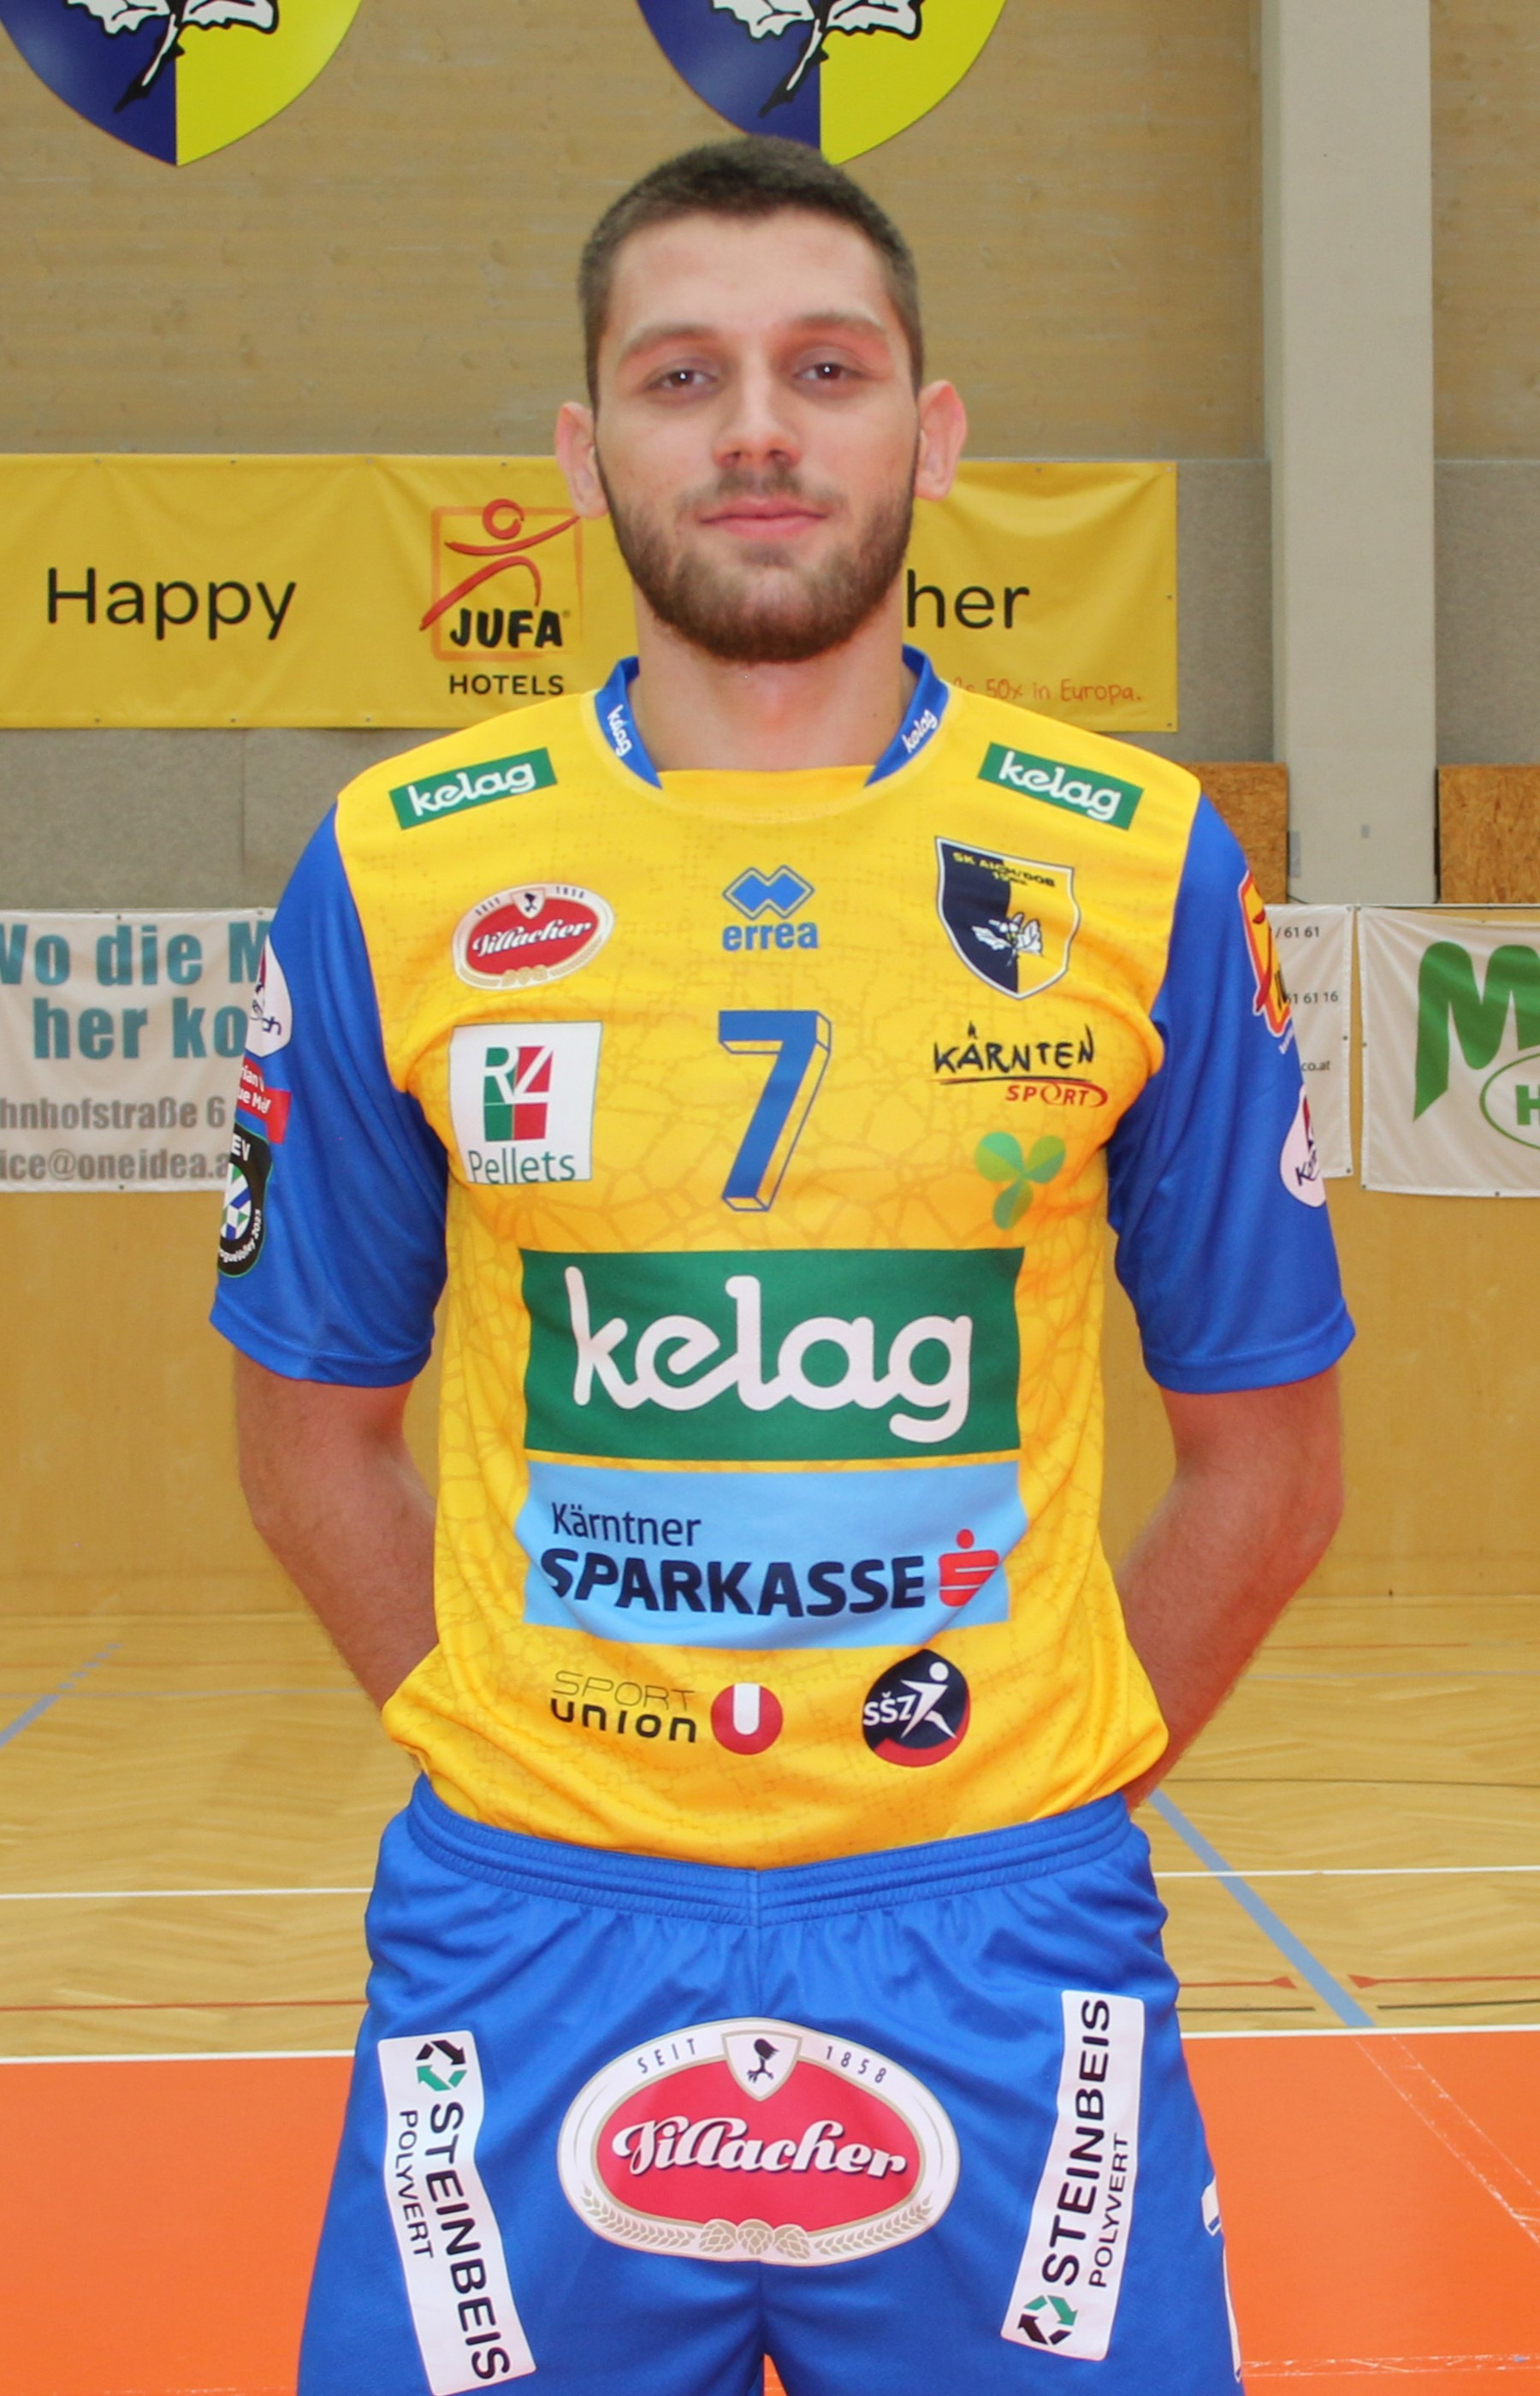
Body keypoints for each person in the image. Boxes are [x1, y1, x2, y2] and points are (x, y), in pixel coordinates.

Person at [214, 135, 1350, 2396]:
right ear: (584, 452)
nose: (756, 430)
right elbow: (308, 1442)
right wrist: (538, 1764)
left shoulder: (1139, 866)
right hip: (528, 1935)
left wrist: (1021, 1801)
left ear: (933, 433)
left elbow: (1273, 1475)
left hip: (1003, 1939)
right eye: (683, 375)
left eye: (825, 370)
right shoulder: (395, 869)